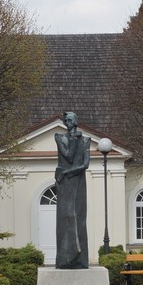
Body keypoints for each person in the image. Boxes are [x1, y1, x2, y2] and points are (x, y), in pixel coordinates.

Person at [54, 110, 90, 269]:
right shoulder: (59, 137)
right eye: (65, 121)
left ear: (75, 121)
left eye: (69, 120)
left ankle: (80, 258)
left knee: (79, 217)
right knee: (66, 217)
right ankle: (64, 259)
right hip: (64, 182)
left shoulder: (86, 140)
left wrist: (68, 172)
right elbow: (68, 155)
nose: (67, 123)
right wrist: (74, 139)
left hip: (77, 180)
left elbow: (85, 164)